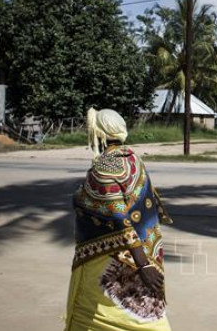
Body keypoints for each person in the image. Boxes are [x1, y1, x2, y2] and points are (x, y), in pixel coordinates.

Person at [64, 108, 173, 331]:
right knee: (144, 315)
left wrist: (142, 264)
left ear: (99, 133)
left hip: (112, 256)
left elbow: (118, 215)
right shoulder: (132, 158)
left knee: (99, 313)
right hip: (143, 249)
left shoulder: (104, 165)